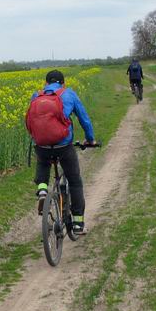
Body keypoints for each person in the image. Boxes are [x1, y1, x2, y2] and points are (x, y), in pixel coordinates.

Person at [30, 70, 98, 235]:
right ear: (63, 83)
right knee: (74, 181)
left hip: (42, 145)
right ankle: (77, 224)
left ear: (46, 83)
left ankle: (42, 190)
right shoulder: (69, 94)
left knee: (43, 161)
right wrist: (90, 139)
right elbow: (84, 119)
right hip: (64, 145)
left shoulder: (36, 95)